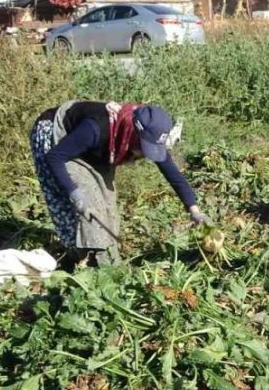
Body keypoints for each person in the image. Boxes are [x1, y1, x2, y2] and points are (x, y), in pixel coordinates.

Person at [29, 101, 210, 267]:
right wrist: (73, 191)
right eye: (143, 148)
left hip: (96, 148)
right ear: (133, 133)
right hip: (56, 138)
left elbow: (173, 174)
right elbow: (55, 157)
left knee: (106, 204)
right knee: (83, 205)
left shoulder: (143, 134)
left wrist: (195, 212)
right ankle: (82, 262)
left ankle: (108, 260)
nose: (144, 154)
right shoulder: (96, 129)